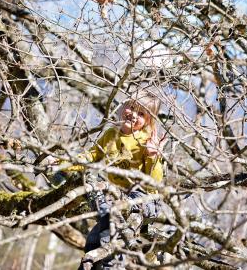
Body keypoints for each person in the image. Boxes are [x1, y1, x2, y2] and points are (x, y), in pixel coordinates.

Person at [48, 91, 164, 269]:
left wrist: (152, 157)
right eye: (131, 108)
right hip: (116, 198)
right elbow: (91, 155)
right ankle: (92, 263)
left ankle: (111, 266)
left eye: (141, 113)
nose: (133, 114)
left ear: (148, 121)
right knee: (94, 239)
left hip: (144, 200)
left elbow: (154, 182)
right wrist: (64, 163)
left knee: (112, 234)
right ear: (123, 107)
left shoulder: (146, 141)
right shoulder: (111, 134)